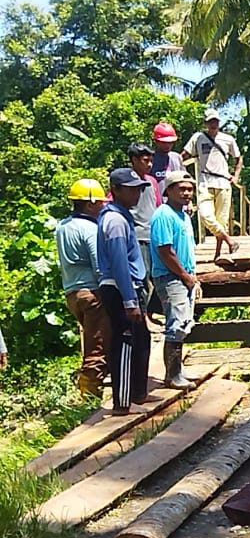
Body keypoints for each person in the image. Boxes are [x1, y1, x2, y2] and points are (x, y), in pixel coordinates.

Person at [97, 168, 153, 414]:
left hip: (128, 287)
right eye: (130, 188)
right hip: (121, 288)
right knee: (126, 343)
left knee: (141, 339)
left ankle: (137, 395)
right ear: (116, 190)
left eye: (138, 188)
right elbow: (119, 262)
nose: (136, 193)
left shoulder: (123, 216)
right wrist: (130, 300)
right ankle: (122, 403)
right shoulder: (115, 221)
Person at [55, 179, 111, 398]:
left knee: (91, 340)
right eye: (99, 203)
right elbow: (99, 265)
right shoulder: (90, 228)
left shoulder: (62, 226)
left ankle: (92, 388)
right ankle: (89, 398)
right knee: (98, 345)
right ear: (89, 204)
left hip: (72, 293)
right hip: (92, 293)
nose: (103, 206)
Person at [149, 171, 200, 390]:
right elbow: (165, 250)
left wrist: (193, 276)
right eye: (182, 189)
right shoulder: (164, 215)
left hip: (184, 276)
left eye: (190, 189)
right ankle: (172, 375)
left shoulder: (184, 216)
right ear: (168, 190)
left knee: (184, 323)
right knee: (176, 324)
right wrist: (184, 275)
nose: (187, 193)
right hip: (171, 277)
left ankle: (177, 370)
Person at [183, 108, 241, 261]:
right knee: (205, 215)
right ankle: (230, 240)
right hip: (204, 181)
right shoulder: (198, 138)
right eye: (210, 121)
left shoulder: (228, 139)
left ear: (219, 123)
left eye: (215, 121)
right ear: (205, 123)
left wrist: (236, 176)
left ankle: (219, 253)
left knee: (222, 220)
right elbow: (185, 155)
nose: (213, 124)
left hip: (223, 181)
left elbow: (238, 157)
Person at [127, 142, 162, 317]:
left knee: (158, 275)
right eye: (145, 160)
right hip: (137, 236)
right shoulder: (126, 182)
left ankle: (152, 312)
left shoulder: (152, 181)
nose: (149, 165)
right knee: (142, 276)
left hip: (154, 236)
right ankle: (142, 315)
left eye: (151, 161)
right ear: (134, 160)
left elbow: (157, 205)